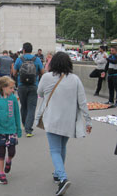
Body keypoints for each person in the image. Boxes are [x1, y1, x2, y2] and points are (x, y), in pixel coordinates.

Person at [35, 52, 92, 196]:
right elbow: (83, 102)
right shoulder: (75, 79)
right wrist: (88, 120)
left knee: (54, 150)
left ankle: (62, 177)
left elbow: (40, 92)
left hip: (52, 119)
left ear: (53, 63)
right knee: (61, 147)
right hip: (69, 121)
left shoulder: (46, 77)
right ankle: (58, 173)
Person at [0, 76, 21, 185]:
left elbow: (17, 113)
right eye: (11, 88)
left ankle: (9, 161)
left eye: (13, 88)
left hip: (12, 129)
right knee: (1, 152)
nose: (13, 90)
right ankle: (1, 172)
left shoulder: (13, 98)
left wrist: (19, 128)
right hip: (0, 129)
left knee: (12, 151)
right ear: (3, 87)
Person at [13, 42, 44, 137]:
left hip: (21, 86)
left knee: (23, 106)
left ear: (23, 50)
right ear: (32, 50)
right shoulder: (37, 59)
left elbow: (14, 73)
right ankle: (28, 129)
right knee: (32, 107)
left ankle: (24, 123)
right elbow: (43, 72)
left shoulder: (19, 59)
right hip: (33, 85)